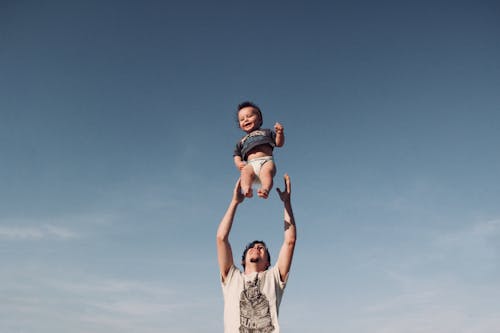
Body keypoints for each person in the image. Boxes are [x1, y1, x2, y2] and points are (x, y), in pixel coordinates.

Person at [216, 174, 297, 333]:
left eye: (262, 248)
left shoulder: (273, 278)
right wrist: (234, 202)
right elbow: (221, 238)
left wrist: (287, 202)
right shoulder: (232, 278)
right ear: (243, 260)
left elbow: (290, 241)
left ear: (267, 262)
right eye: (252, 247)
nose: (256, 248)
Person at [234, 101, 285, 199]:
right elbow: (236, 154)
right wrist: (238, 163)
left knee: (266, 173)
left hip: (266, 161)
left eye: (249, 116)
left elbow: (279, 143)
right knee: (245, 172)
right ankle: (246, 189)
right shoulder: (241, 141)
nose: (245, 120)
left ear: (259, 119)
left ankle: (265, 189)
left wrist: (280, 133)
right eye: (242, 119)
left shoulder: (266, 132)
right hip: (250, 164)